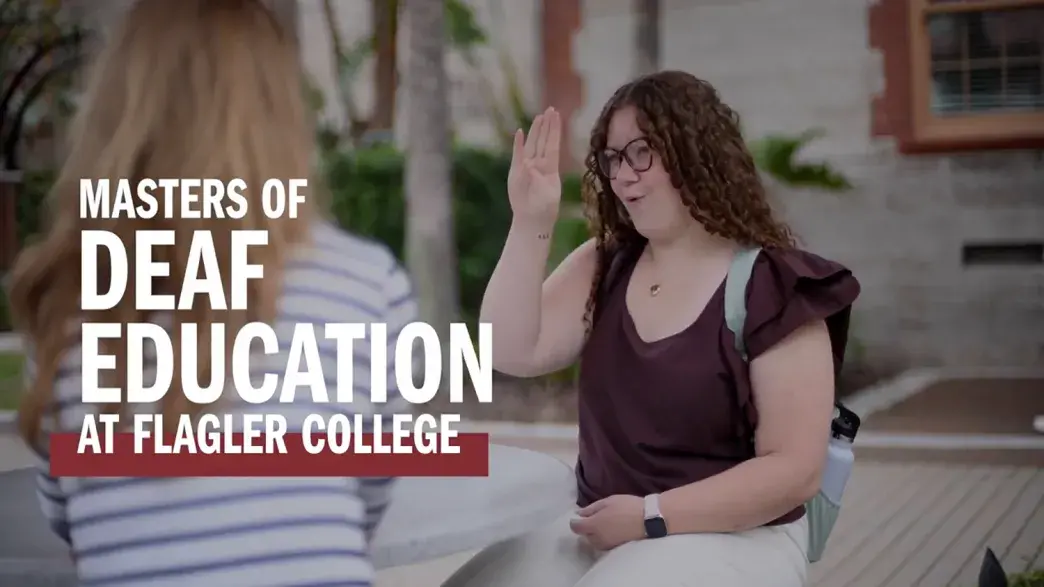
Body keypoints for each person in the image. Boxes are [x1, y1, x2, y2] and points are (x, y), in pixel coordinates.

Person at [8, 1, 416, 585]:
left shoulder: (70, 305)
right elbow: (365, 498)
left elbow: (70, 515)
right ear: (279, 114)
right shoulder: (365, 284)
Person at [456, 71, 861, 586]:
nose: (623, 175)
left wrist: (651, 514)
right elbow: (506, 351)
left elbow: (795, 471)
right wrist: (531, 219)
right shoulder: (604, 265)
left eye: (642, 152)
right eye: (613, 158)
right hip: (600, 524)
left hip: (735, 536)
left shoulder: (775, 286)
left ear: (695, 152)